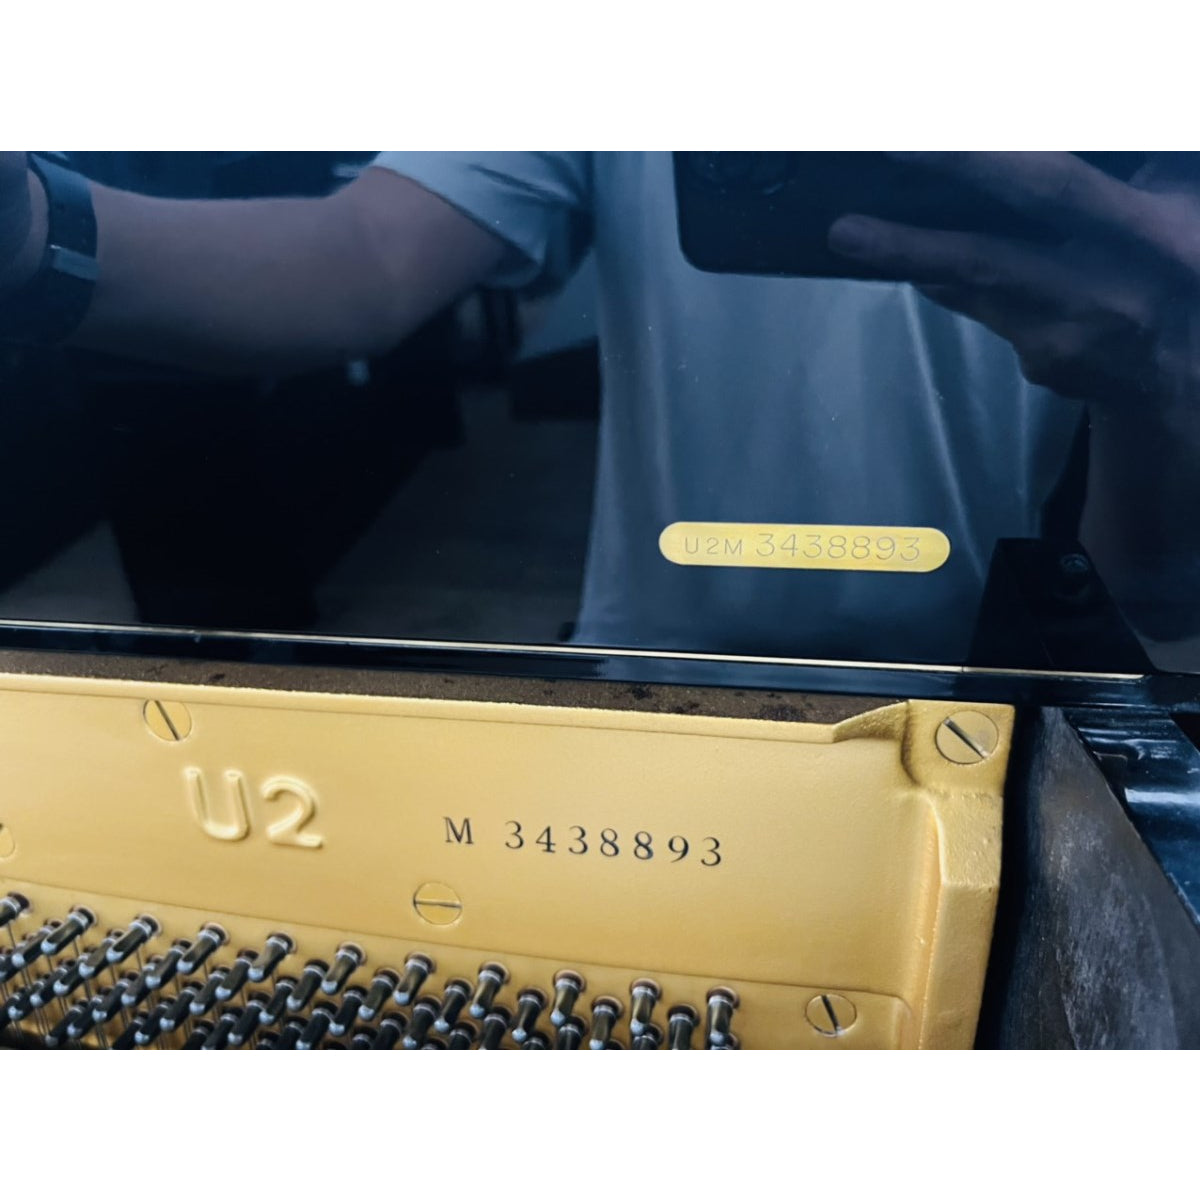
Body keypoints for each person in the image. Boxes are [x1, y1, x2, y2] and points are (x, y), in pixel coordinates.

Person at [0, 151, 1196, 661]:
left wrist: (1157, 373)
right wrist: (29, 224)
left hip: (999, 680)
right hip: (658, 663)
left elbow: (1156, 587)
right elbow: (362, 259)